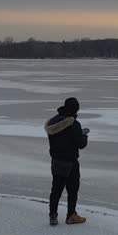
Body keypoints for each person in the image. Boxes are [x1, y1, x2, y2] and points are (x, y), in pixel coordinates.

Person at [44, 97, 89, 226]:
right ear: (75, 108)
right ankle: (71, 216)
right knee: (72, 190)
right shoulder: (74, 124)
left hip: (56, 161)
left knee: (56, 190)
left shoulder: (53, 122)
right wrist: (84, 135)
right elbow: (80, 144)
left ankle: (53, 215)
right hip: (71, 161)